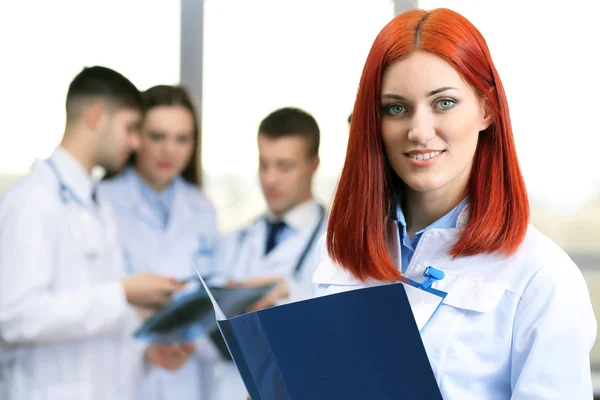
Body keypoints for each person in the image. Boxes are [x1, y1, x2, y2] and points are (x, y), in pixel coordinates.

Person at [312, 8, 597, 399]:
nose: (419, 131)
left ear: (486, 109)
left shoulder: (541, 277)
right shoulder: (341, 257)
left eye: (443, 103)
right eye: (396, 108)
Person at [0, 66, 187, 400]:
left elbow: (97, 321)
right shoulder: (32, 200)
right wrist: (123, 293)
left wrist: (146, 354)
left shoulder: (96, 204)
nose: (135, 142)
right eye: (131, 128)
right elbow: (14, 317)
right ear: (96, 117)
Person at [99, 84, 219, 400]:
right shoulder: (102, 202)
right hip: (122, 373)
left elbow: (208, 296)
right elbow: (95, 298)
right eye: (158, 137)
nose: (170, 150)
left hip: (187, 373)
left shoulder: (202, 208)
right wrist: (144, 349)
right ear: (136, 137)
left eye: (182, 139)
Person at [213, 107, 327, 399]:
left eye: (285, 166)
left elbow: (340, 327)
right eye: (264, 165)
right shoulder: (237, 239)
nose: (270, 179)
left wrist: (287, 292)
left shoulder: (335, 244)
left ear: (314, 165)